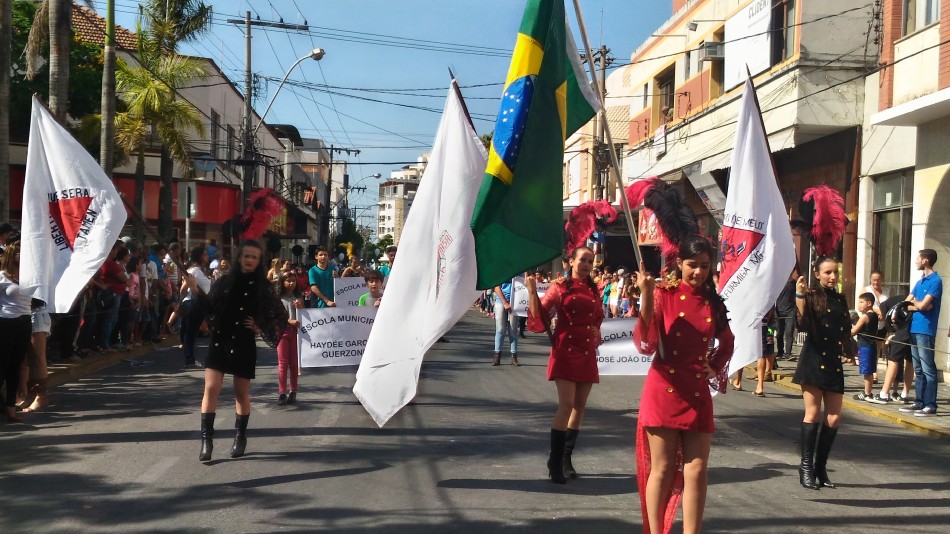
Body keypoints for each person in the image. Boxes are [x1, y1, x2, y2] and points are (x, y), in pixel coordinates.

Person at [633, 237, 734, 533]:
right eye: (692, 265)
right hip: (664, 389)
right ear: (680, 264)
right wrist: (647, 295)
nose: (698, 272)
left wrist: (713, 366)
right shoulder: (664, 293)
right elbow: (647, 342)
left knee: (698, 469)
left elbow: (727, 341)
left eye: (704, 266)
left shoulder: (713, 301)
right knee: (662, 469)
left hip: (697, 391)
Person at [198, 240, 287, 462]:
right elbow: (210, 307)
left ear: (259, 261)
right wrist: (193, 288)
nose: (249, 260)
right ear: (240, 257)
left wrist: (259, 325)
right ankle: (206, 440)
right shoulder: (225, 281)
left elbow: (279, 314)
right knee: (211, 388)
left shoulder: (263, 287)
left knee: (241, 393)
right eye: (246, 256)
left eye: (254, 257)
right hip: (221, 338)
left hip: (244, 342)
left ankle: (240, 436)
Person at [526, 246, 604, 484]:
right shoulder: (559, 288)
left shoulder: (593, 289)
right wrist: (531, 293)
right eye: (582, 260)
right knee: (567, 405)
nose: (586, 265)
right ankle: (554, 459)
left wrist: (596, 332)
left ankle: (566, 458)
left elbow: (598, 318)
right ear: (571, 262)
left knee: (579, 406)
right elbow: (539, 322)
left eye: (590, 261)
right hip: (566, 351)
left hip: (587, 352)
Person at [792, 256, 852, 490]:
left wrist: (849, 350)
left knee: (834, 417)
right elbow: (803, 324)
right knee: (813, 413)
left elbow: (845, 327)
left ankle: (820, 466)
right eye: (827, 272)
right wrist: (799, 295)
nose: (833, 277)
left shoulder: (839, 298)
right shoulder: (810, 296)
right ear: (817, 274)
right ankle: (806, 467)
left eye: (835, 272)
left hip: (833, 361)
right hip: (813, 360)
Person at [899, 249, 942, 417]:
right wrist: (918, 305)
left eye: (917, 258)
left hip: (926, 329)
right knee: (918, 368)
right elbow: (906, 303)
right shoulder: (920, 281)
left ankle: (930, 404)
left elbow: (924, 306)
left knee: (928, 368)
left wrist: (918, 305)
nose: (915, 261)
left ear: (925, 261)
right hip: (914, 328)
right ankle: (919, 401)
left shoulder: (936, 281)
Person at [0, 241, 32, 424]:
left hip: (24, 322)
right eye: (20, 252)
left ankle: (11, 409)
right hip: (6, 323)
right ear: (13, 254)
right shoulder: (2, 277)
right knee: (2, 366)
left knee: (16, 366)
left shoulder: (30, 276)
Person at [877, 295, 914, 403]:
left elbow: (889, 319)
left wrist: (892, 334)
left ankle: (884, 393)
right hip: (913, 330)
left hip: (903, 330)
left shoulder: (885, 306)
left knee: (893, 360)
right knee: (909, 361)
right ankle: (905, 394)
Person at [180, 246, 212, 368]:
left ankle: (191, 358)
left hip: (202, 304)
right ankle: (189, 359)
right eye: (204, 254)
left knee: (194, 332)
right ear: (199, 256)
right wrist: (180, 302)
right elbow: (184, 289)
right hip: (192, 302)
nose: (207, 257)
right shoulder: (193, 271)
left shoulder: (202, 271)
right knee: (191, 331)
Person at [275, 271, 303, 405]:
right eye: (288, 281)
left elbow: (306, 316)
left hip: (295, 333)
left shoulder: (298, 297)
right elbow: (275, 316)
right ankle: (282, 392)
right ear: (282, 282)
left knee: (294, 364)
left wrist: (300, 307)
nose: (291, 283)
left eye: (293, 280)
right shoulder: (278, 298)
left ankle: (293, 391)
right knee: (283, 363)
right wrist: (288, 321)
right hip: (281, 333)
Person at [851, 292, 883, 403]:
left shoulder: (864, 317)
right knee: (869, 371)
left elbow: (853, 332)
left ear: (869, 303)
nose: (859, 305)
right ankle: (867, 392)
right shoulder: (874, 315)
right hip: (872, 345)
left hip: (865, 347)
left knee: (867, 372)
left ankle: (867, 394)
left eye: (861, 302)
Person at [491, 280, 520, 366]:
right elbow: (496, 287)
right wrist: (505, 302)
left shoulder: (519, 272)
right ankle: (497, 356)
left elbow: (525, 283)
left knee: (513, 330)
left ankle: (514, 357)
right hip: (501, 301)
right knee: (500, 329)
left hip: (515, 302)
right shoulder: (501, 270)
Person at [775, 266, 799, 360]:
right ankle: (780, 352)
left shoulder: (794, 283)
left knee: (789, 332)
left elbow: (799, 295)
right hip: (779, 311)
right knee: (779, 333)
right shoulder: (778, 282)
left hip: (790, 311)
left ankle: (788, 353)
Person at [753, 310, 776, 397]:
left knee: (761, 353)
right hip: (769, 323)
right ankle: (768, 372)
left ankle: (760, 386)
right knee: (769, 348)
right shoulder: (771, 297)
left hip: (761, 324)